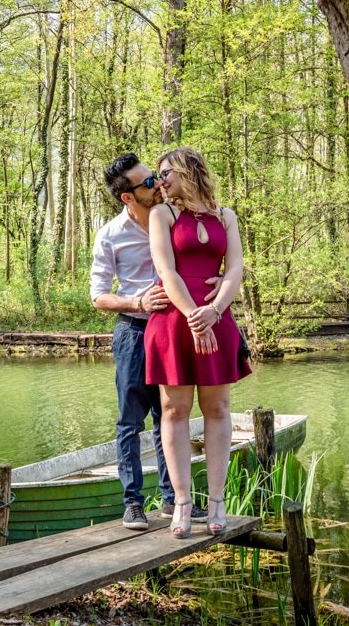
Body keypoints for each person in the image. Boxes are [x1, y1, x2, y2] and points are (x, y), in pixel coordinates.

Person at [90, 153, 220, 530]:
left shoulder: (179, 216)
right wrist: (137, 301)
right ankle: (132, 503)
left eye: (156, 177)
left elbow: (207, 255)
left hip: (178, 327)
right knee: (131, 419)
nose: (158, 184)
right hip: (134, 329)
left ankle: (172, 499)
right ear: (127, 197)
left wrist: (220, 277)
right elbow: (97, 296)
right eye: (147, 183)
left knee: (173, 414)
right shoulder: (111, 235)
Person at [144, 147, 252, 539]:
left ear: (190, 172)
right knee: (174, 410)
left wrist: (215, 310)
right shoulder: (162, 214)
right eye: (157, 175)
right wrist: (194, 316)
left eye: (166, 173)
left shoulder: (226, 216)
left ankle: (218, 502)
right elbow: (165, 269)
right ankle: (184, 503)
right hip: (175, 322)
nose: (160, 181)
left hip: (216, 319)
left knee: (218, 407)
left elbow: (235, 267)